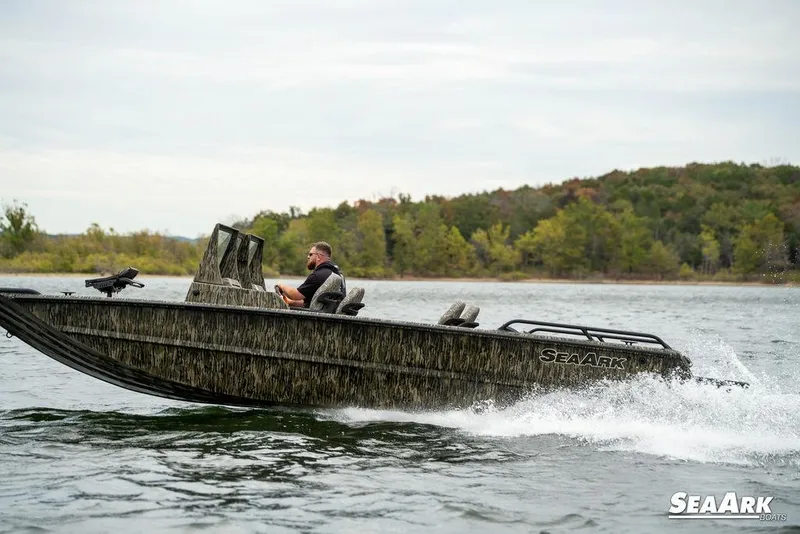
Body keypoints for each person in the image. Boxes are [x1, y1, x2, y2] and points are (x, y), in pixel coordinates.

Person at [275, 242, 344, 308]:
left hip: (317, 318)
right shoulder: (337, 274)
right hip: (329, 316)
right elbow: (314, 302)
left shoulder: (317, 276)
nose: (308, 257)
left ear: (318, 257)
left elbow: (295, 295)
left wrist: (281, 286)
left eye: (310, 254)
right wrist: (290, 302)